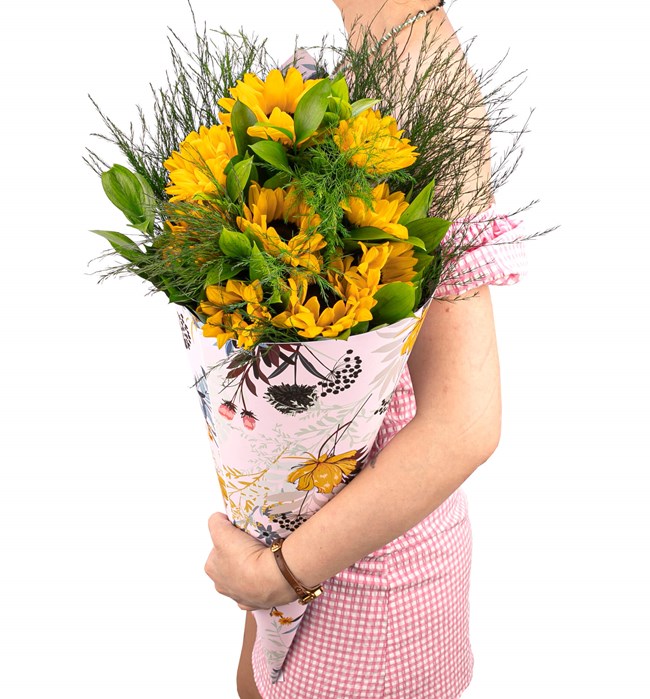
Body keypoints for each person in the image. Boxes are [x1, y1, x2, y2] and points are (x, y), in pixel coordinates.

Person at [219, 2, 528, 697]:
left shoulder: (421, 71)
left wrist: (274, 576)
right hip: (319, 555)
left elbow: (464, 425)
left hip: (371, 587)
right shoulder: (375, 50)